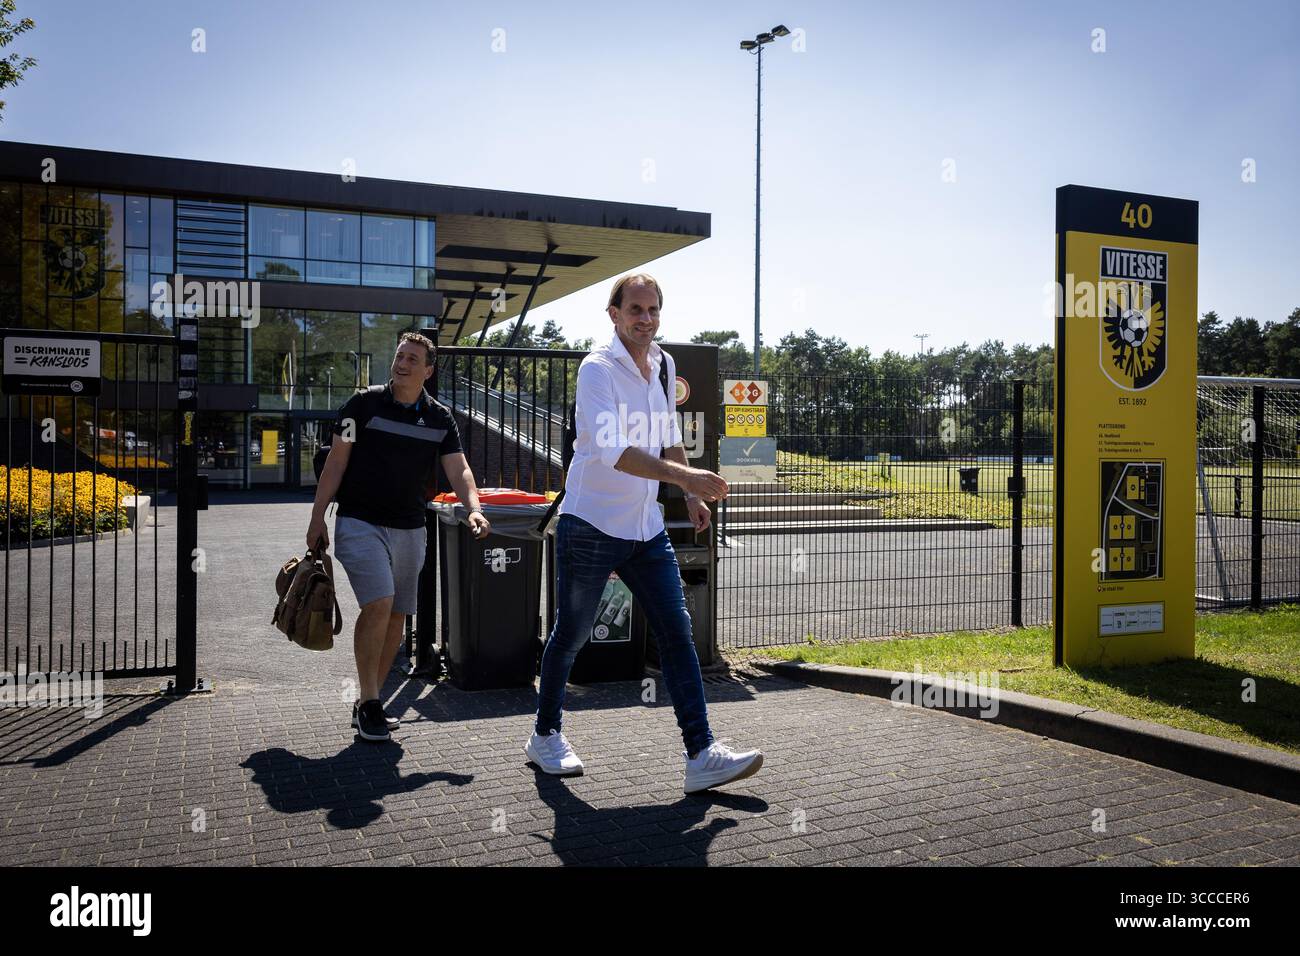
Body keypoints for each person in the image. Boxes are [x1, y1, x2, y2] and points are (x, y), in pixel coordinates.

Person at [526, 274, 764, 794]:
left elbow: (668, 437)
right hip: (590, 523)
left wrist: (692, 497)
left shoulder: (664, 364)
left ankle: (701, 753)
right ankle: (545, 736)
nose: (646, 319)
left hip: (645, 528)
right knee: (573, 633)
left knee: (677, 632)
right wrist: (688, 479)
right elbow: (616, 453)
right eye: (635, 308)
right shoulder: (596, 370)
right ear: (613, 313)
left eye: (653, 309)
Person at [308, 332, 490, 742]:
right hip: (360, 522)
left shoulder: (440, 418)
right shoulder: (361, 404)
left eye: (413, 359)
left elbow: (458, 470)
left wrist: (474, 508)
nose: (402, 363)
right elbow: (336, 463)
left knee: (397, 614)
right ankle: (372, 701)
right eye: (399, 356)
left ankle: (366, 704)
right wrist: (317, 518)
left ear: (428, 370)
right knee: (379, 603)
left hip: (411, 527)